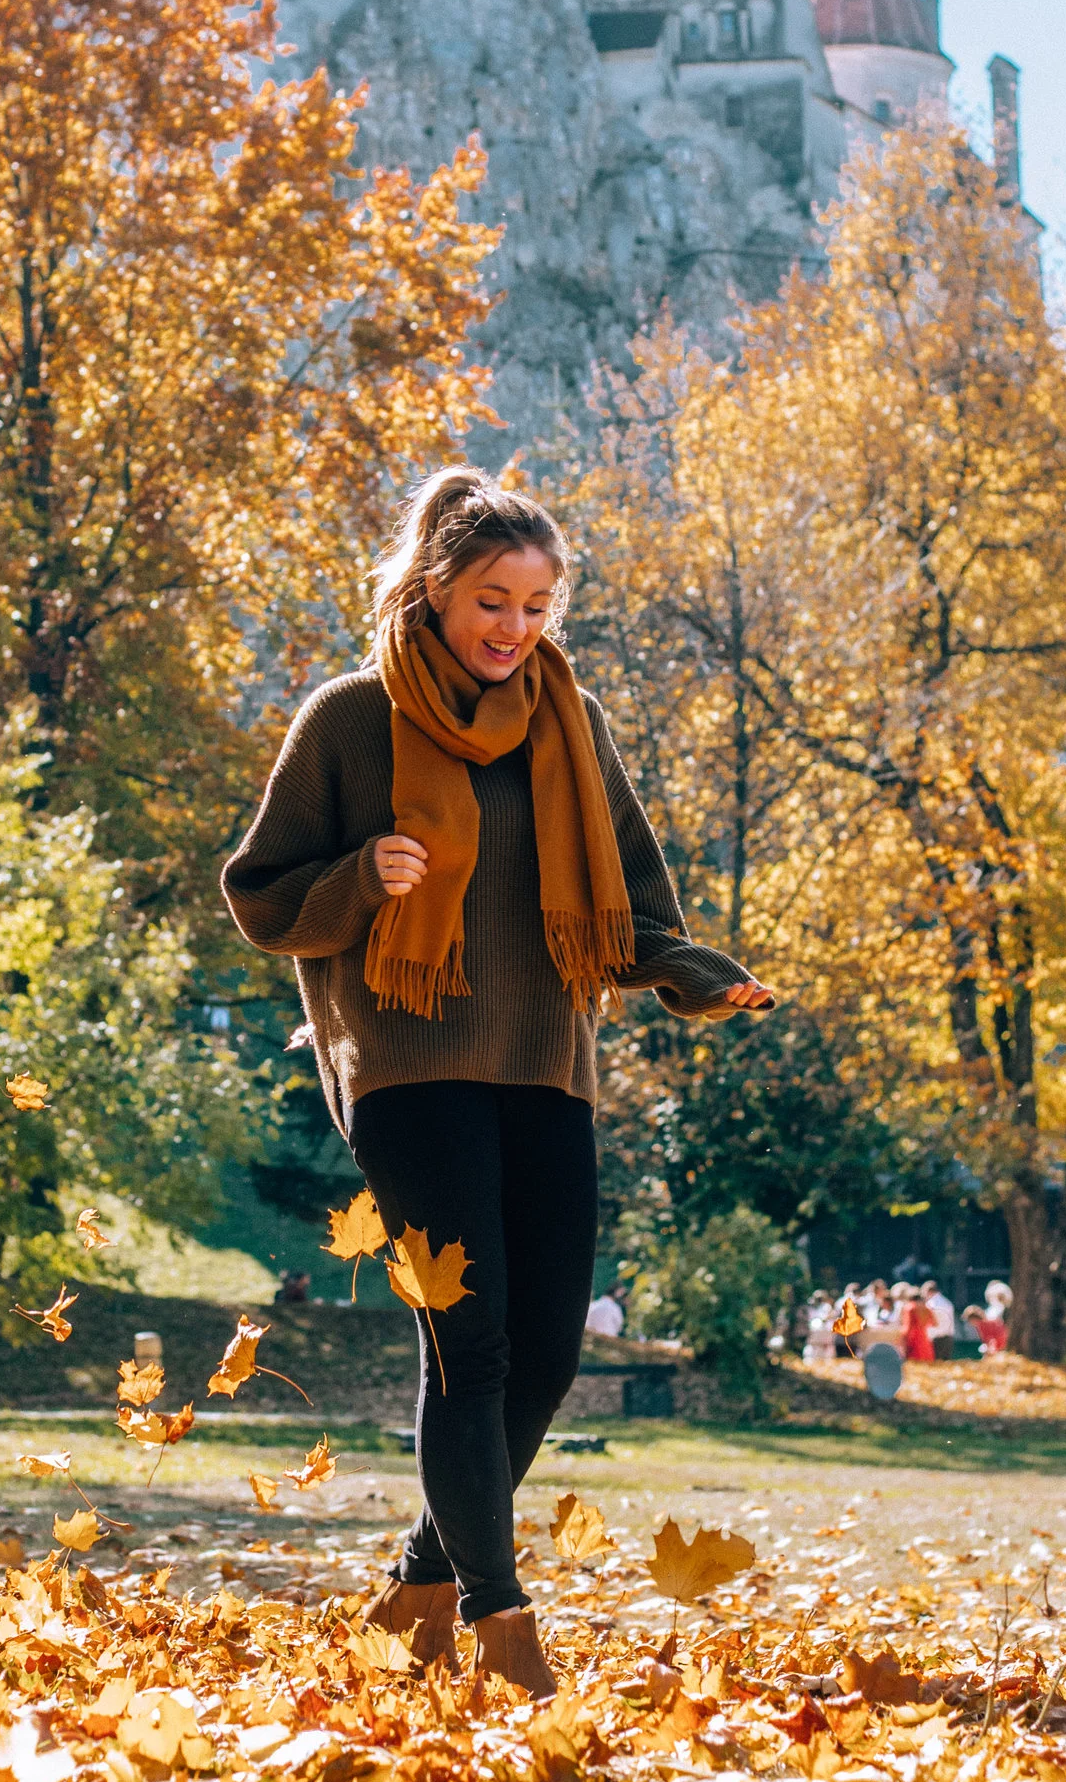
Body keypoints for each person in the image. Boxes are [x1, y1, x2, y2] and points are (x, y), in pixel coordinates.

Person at [222, 465, 774, 1700]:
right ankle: (499, 1617)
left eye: (535, 603)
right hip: (409, 1068)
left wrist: (697, 978)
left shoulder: (567, 726)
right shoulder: (351, 721)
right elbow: (263, 897)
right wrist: (366, 875)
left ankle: (421, 1580)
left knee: (544, 1354)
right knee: (467, 1347)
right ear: (433, 589)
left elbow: (628, 909)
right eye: (490, 599)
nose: (512, 627)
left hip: (545, 1066)